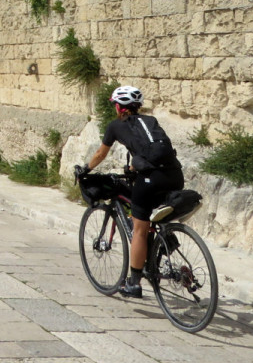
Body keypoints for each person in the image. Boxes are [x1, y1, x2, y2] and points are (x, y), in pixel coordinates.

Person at [78, 85, 184, 298]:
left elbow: (100, 153)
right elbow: (151, 149)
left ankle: (134, 283)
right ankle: (164, 242)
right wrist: (133, 168)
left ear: (119, 107)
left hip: (150, 178)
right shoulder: (151, 122)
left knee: (139, 229)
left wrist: (86, 169)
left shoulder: (115, 126)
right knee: (156, 213)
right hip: (175, 175)